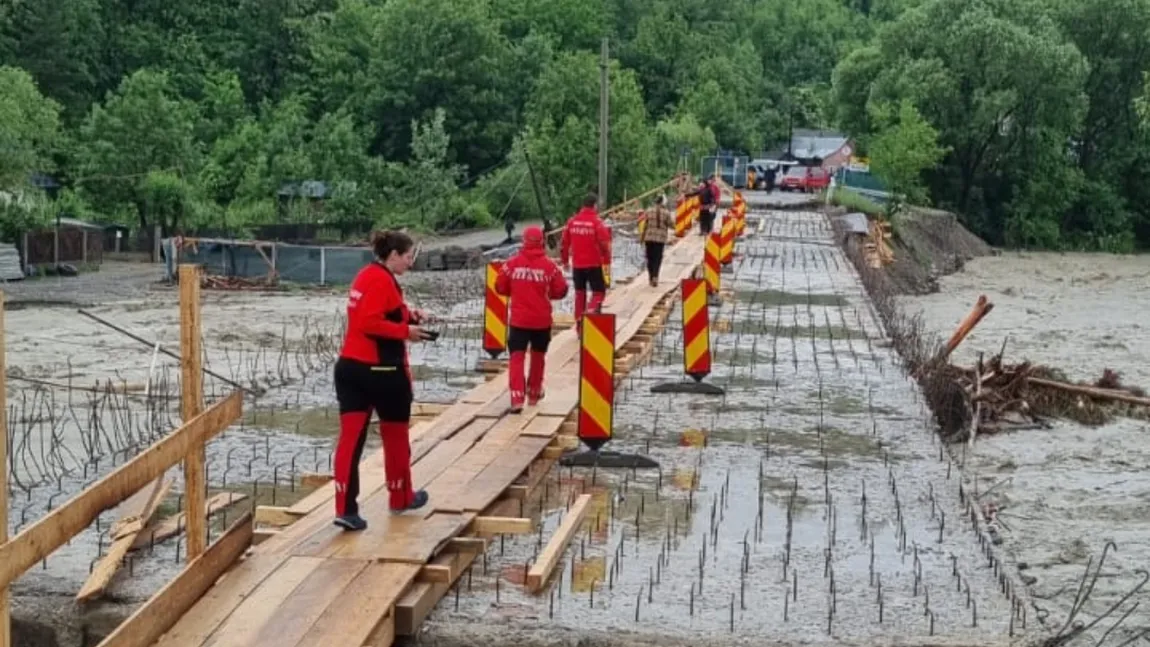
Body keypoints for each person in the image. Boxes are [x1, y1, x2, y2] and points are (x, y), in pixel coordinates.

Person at [332, 230, 434, 531]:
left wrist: (412, 315)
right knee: (396, 434)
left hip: (349, 369)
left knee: (350, 441)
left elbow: (381, 312)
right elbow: (370, 322)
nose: (410, 263)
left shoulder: (366, 276)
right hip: (382, 371)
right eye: (407, 256)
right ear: (393, 255)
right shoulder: (382, 280)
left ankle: (345, 509)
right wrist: (407, 332)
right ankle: (400, 495)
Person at [495, 226, 569, 413]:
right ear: (542, 242)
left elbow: (500, 287)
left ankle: (517, 397)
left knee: (517, 357)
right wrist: (547, 294)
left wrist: (517, 290)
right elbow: (561, 289)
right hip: (541, 321)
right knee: (538, 356)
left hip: (519, 321)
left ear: (524, 241)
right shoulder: (550, 266)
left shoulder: (511, 264)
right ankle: (534, 393)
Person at [560, 193, 611, 326]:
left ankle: (579, 322)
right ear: (594, 206)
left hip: (577, 265)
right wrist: (606, 259)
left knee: (579, 294)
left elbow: (564, 243)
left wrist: (565, 261)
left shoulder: (572, 222)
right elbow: (605, 243)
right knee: (599, 292)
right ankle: (591, 312)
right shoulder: (597, 222)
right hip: (593, 264)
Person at [640, 195, 675, 287]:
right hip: (660, 239)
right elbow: (671, 225)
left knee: (649, 258)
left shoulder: (648, 211)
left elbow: (644, 225)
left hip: (649, 238)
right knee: (657, 258)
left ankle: (651, 277)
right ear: (663, 203)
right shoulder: (666, 213)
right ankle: (655, 276)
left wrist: (642, 238)